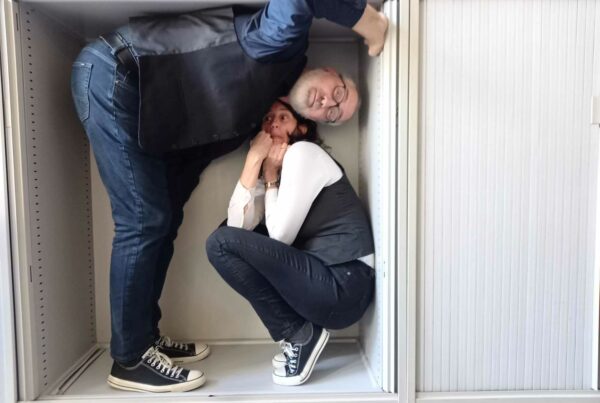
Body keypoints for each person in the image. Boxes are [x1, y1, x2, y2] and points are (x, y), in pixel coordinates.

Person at [70, 0, 387, 394]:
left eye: (335, 113)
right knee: (145, 220)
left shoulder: (256, 123)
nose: (330, 103)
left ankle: (143, 339)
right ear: (326, 70)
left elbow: (238, 226)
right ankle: (130, 358)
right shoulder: (278, 49)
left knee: (162, 218)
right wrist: (369, 23)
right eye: (338, 91)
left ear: (309, 125)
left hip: (143, 109)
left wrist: (257, 170)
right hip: (115, 74)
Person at [206, 100, 375, 386]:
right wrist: (254, 161)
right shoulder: (279, 172)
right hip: (328, 285)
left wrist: (271, 178)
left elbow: (280, 237)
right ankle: (300, 333)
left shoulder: (303, 153)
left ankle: (300, 334)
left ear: (302, 128)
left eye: (283, 117)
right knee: (227, 237)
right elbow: (236, 229)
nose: (273, 123)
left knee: (221, 243)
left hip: (346, 285)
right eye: (267, 118)